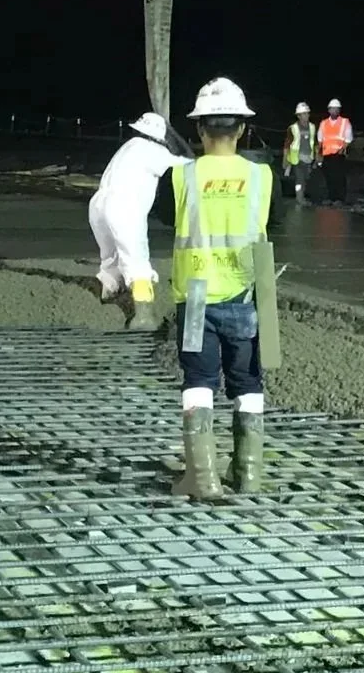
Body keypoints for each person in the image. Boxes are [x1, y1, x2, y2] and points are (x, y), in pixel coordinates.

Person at [169, 76, 273, 500]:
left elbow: (166, 219)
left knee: (198, 378)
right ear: (242, 128)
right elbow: (268, 228)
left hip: (195, 297)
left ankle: (202, 477)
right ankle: (248, 474)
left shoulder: (181, 176)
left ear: (199, 128)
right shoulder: (262, 176)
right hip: (246, 296)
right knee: (248, 381)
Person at [89, 111, 185, 327]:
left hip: (98, 205)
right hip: (124, 207)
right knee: (137, 264)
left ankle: (108, 293)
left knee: (110, 260)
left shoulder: (128, 146)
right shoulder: (153, 150)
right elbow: (188, 165)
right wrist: (178, 141)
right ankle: (143, 317)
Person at [317, 98, 353, 205]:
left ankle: (339, 199)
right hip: (327, 154)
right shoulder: (324, 123)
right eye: (333, 109)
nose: (335, 111)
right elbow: (320, 139)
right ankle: (330, 197)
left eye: (337, 109)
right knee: (329, 177)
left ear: (339, 110)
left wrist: (342, 149)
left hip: (339, 155)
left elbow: (348, 138)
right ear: (329, 110)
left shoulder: (344, 122)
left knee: (339, 177)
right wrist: (319, 154)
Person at [282, 102, 318, 203]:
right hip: (297, 158)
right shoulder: (293, 128)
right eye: (304, 114)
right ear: (298, 116)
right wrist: (285, 159)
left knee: (305, 179)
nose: (306, 116)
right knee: (299, 179)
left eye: (307, 113)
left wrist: (317, 156)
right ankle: (300, 198)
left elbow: (315, 142)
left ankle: (301, 197)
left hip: (308, 158)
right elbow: (287, 144)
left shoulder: (312, 127)